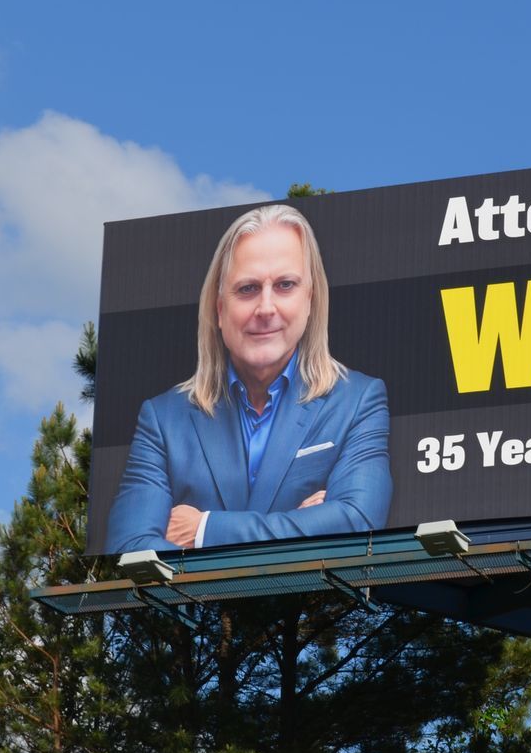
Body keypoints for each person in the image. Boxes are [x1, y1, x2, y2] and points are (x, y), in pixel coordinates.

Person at [104, 203, 392, 553]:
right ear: (219, 307)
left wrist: (204, 530)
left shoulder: (358, 400)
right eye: (247, 289)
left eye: (285, 285)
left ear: (310, 300)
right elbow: (129, 546)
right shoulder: (164, 419)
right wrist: (305, 528)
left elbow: (356, 521)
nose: (266, 308)